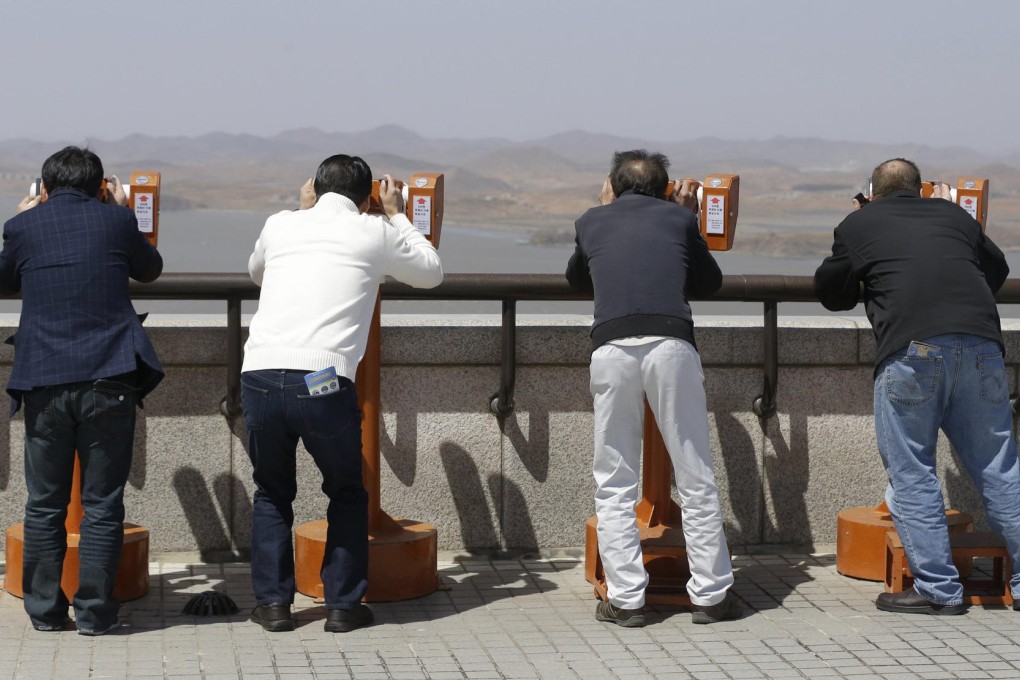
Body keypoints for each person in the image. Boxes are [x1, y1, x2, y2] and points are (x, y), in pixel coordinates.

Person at [241, 154, 443, 633]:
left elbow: (257, 272)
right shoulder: (374, 231)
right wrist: (397, 215)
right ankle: (343, 607)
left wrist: (301, 210)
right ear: (367, 197)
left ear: (314, 186)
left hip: (260, 375)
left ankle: (273, 606)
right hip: (322, 380)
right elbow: (431, 271)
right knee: (347, 492)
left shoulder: (280, 223)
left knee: (271, 493)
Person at [814, 158, 1020, 615]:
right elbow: (996, 271)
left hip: (913, 351)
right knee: (1000, 467)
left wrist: (861, 228)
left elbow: (831, 293)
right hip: (983, 348)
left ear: (871, 192)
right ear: (922, 188)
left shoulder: (859, 222)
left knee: (913, 471)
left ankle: (938, 589)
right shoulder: (955, 217)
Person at [565, 150, 742, 626]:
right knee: (695, 471)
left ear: (613, 185)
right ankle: (711, 596)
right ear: (665, 188)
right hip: (671, 345)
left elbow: (577, 277)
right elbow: (708, 282)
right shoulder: (679, 220)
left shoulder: (591, 220)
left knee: (614, 477)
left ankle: (626, 600)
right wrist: (688, 218)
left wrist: (605, 209)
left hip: (612, 348)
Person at [0, 146, 164, 635]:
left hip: (43, 381)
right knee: (103, 504)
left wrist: (24, 217)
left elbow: (5, 279)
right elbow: (149, 268)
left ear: (45, 189)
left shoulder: (23, 226)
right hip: (108, 378)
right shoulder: (118, 221)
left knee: (44, 504)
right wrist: (122, 210)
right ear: (100, 188)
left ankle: (44, 612)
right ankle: (94, 614)